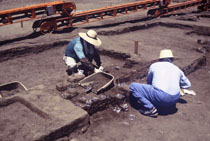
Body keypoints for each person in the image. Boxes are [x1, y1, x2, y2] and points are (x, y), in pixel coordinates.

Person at [129, 49, 191, 117]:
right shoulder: (177, 69)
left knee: (133, 86)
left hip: (161, 97)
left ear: (160, 59)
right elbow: (188, 85)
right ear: (172, 59)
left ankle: (150, 109)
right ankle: (163, 105)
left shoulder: (154, 65)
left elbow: (149, 82)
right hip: (174, 99)